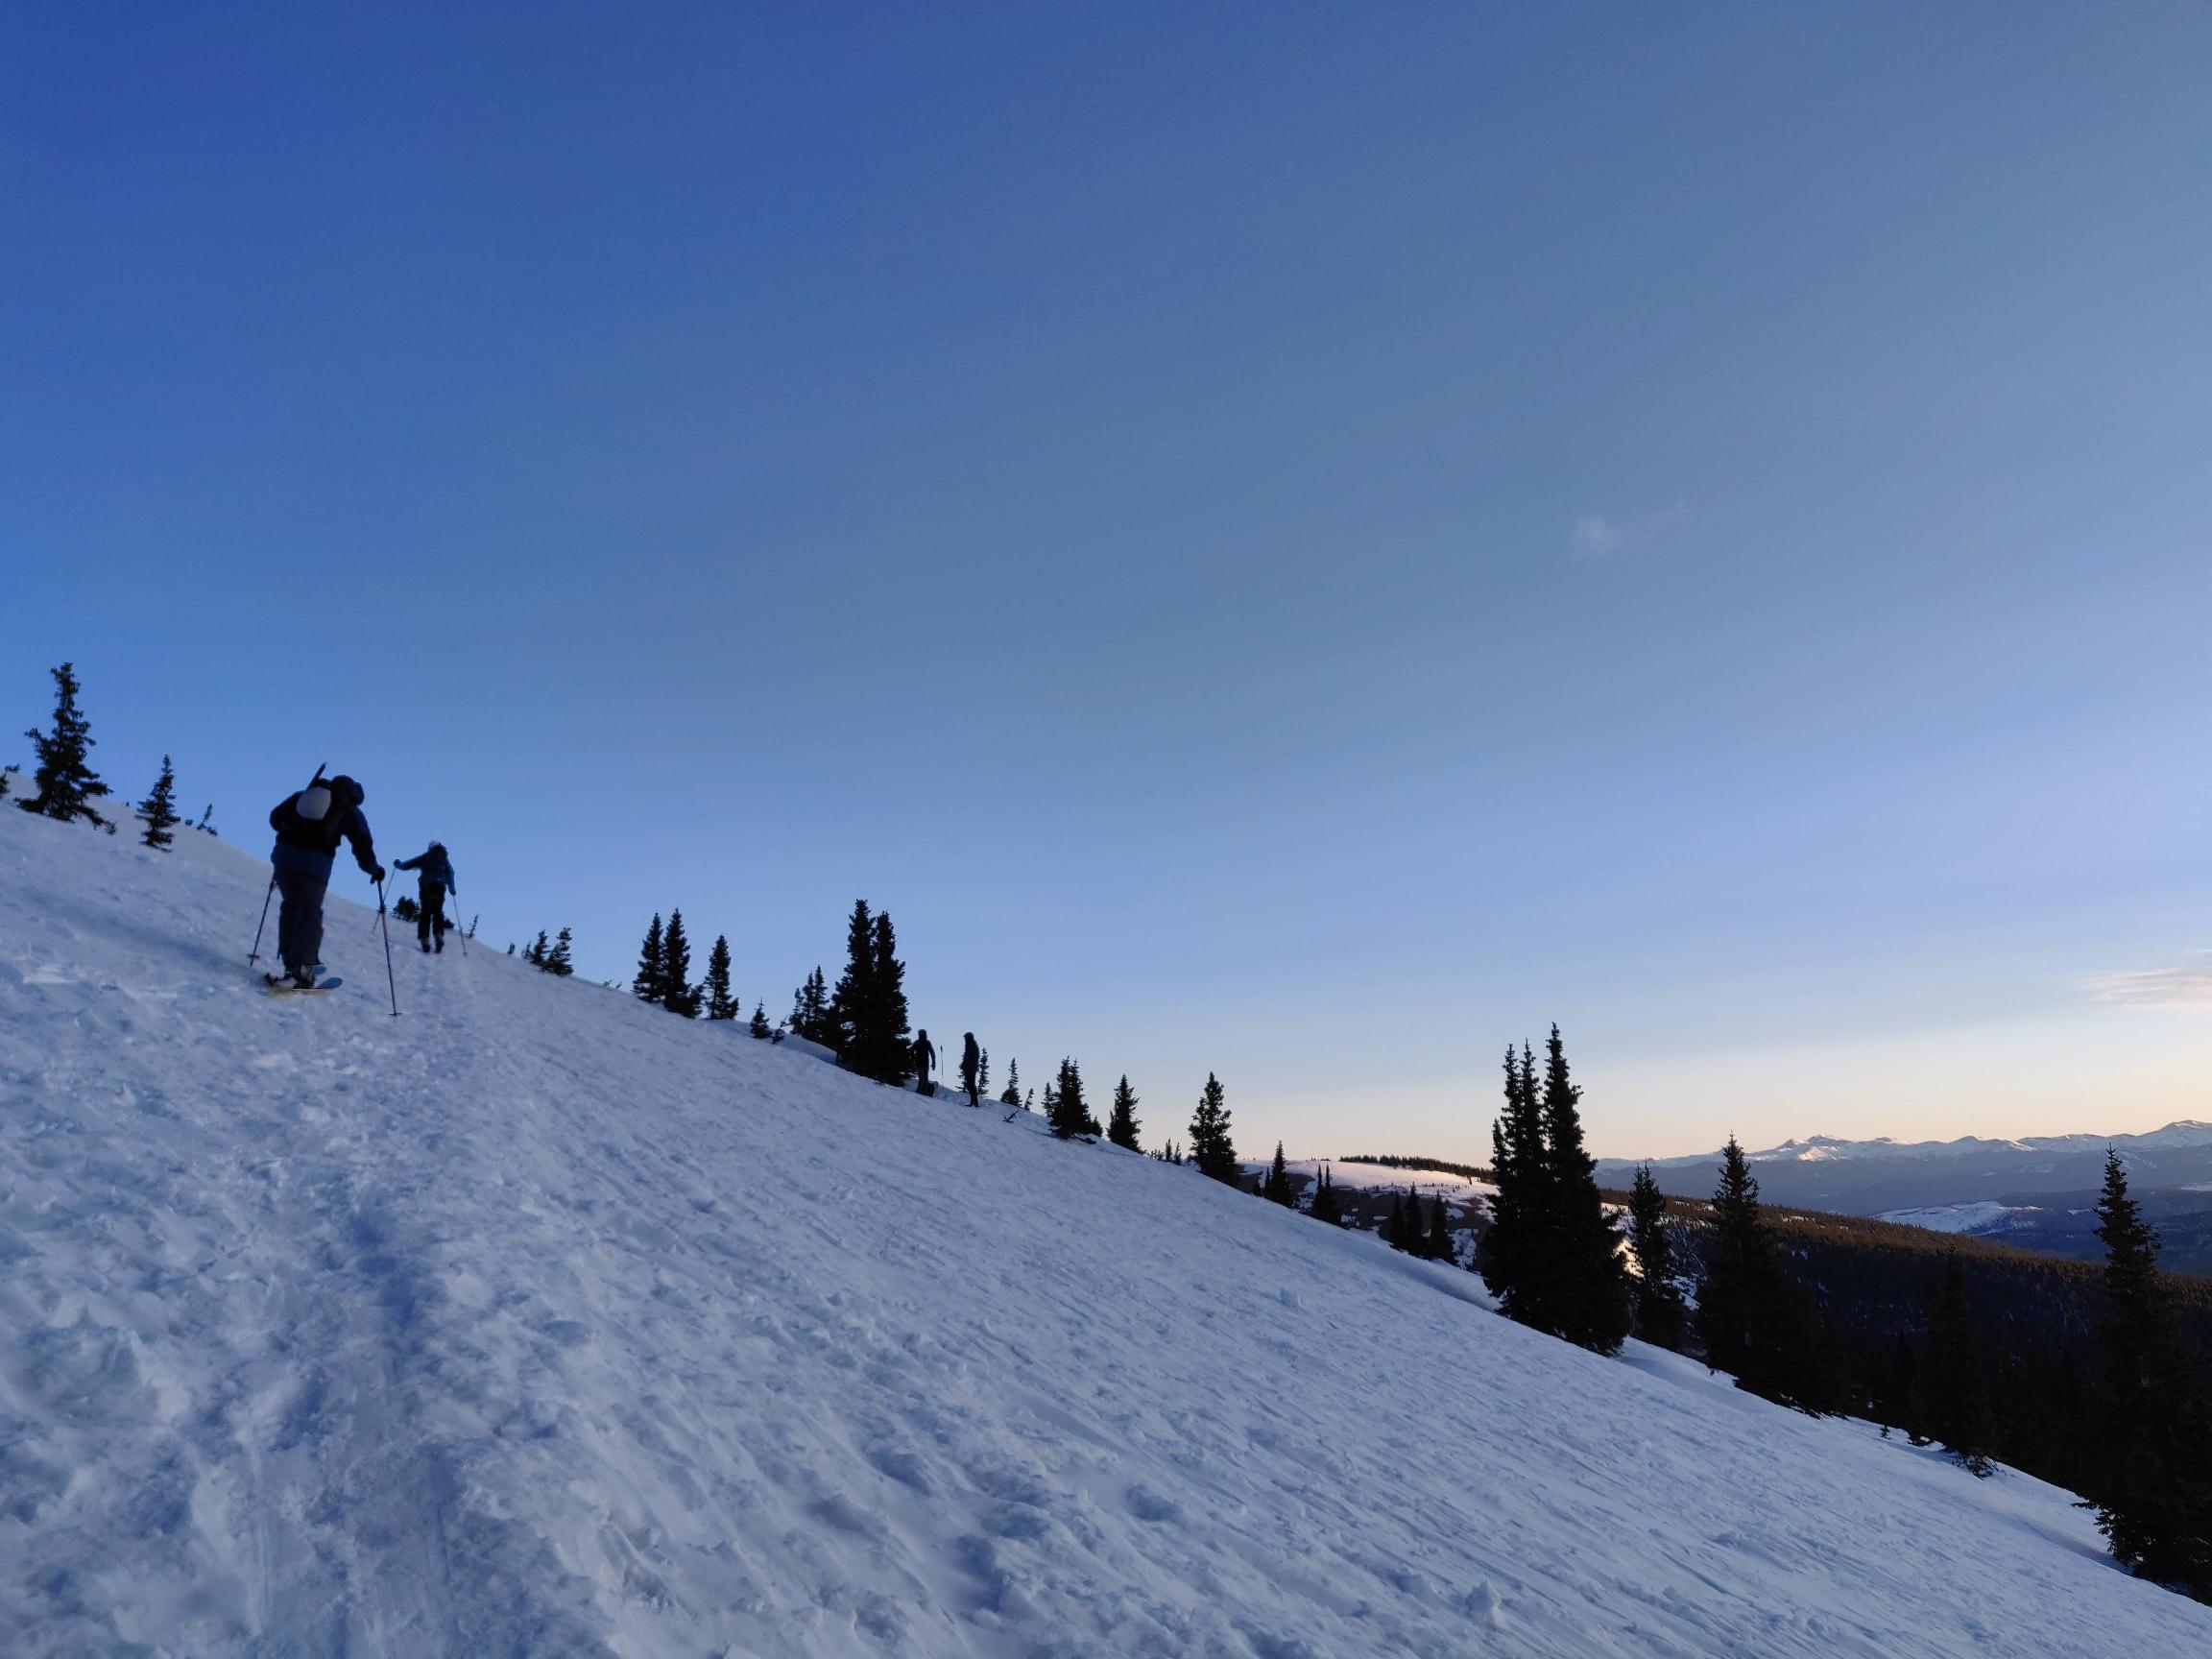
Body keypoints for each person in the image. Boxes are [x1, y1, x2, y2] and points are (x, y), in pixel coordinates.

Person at [267, 773, 380, 987]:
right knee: (309, 914)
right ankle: (305, 967)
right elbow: (363, 845)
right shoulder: (349, 809)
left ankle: (291, 965)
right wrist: (374, 869)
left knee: (290, 907)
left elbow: (275, 818)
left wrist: (290, 834)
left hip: (284, 861)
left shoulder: (303, 795)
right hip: (314, 866)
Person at [393, 841, 458, 953]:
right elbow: (451, 873)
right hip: (440, 886)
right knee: (438, 911)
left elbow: (407, 865)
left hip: (426, 885)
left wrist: (398, 864)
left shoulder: (426, 857)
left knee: (426, 911)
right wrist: (452, 889)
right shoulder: (444, 860)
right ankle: (438, 936)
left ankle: (425, 938)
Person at [912, 1029, 937, 1096]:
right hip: (923, 1062)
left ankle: (923, 1091)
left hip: (922, 1062)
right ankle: (922, 1091)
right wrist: (934, 1062)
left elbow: (932, 1053)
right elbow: (932, 1053)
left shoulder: (919, 1042)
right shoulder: (925, 1042)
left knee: (923, 1077)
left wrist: (914, 1058)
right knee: (923, 1077)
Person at [960, 1032, 981, 1107]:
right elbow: (966, 1056)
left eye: (965, 1038)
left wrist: (968, 1063)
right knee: (969, 1085)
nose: (965, 1039)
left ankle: (974, 1102)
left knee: (971, 1085)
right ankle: (973, 1102)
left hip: (971, 1068)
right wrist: (963, 1064)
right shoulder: (969, 1045)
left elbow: (976, 1056)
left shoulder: (973, 1045)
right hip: (968, 1067)